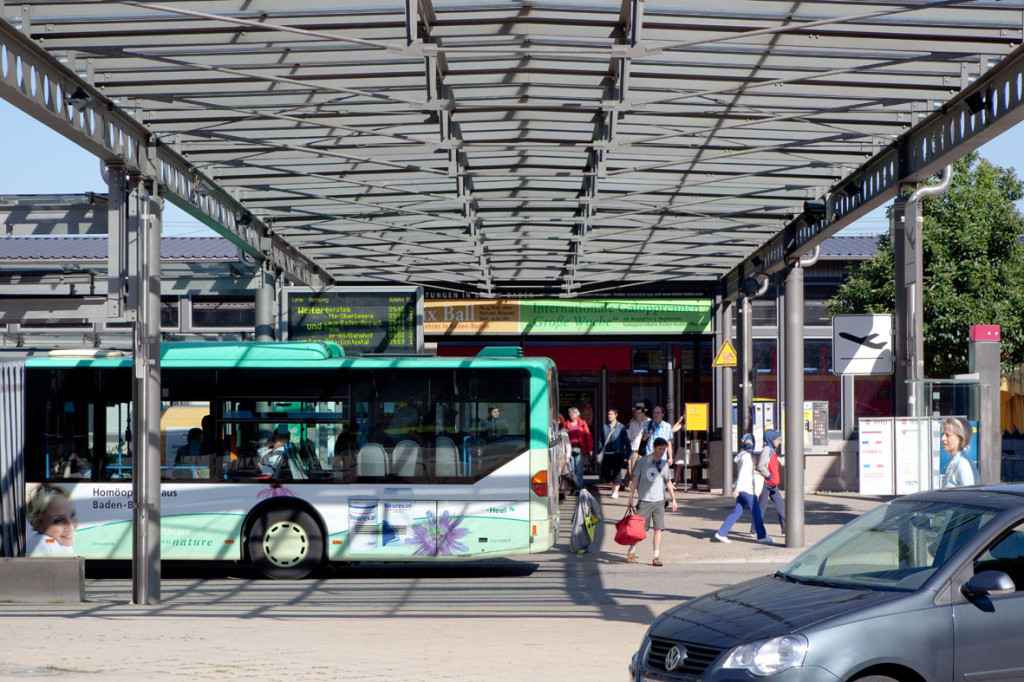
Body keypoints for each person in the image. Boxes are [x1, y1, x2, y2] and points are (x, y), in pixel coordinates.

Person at [625, 437, 678, 566]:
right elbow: (635, 479)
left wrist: (674, 499)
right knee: (639, 530)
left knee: (658, 529)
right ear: (654, 448)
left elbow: (668, 482)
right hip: (645, 500)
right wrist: (631, 496)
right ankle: (631, 551)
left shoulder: (664, 464)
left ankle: (656, 556)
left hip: (659, 501)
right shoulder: (643, 461)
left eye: (664, 449)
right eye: (660, 449)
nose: (662, 452)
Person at [713, 434, 773, 544]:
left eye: (751, 442)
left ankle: (722, 532)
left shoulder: (743, 455)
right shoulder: (746, 457)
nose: (750, 445)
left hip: (743, 489)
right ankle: (762, 536)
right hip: (747, 489)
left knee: (737, 511)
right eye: (748, 443)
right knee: (756, 512)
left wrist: (738, 488)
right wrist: (738, 489)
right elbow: (743, 474)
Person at [750, 429, 786, 537]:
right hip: (767, 483)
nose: (779, 442)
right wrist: (769, 475)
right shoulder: (767, 449)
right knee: (761, 507)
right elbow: (760, 465)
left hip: (773, 483)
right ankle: (753, 530)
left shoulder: (772, 450)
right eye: (778, 440)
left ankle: (785, 530)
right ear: (772, 439)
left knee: (781, 506)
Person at [25, 483, 78, 554]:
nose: (71, 527)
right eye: (58, 520)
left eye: (72, 515)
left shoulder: (53, 541)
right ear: (37, 524)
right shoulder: (48, 545)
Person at [597, 408, 631, 499]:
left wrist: (629, 453)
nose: (609, 416)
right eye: (608, 414)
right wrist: (599, 451)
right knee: (606, 474)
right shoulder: (605, 426)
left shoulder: (621, 427)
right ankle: (614, 484)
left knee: (617, 471)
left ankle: (616, 490)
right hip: (607, 453)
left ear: (616, 415)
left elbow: (626, 441)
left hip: (618, 452)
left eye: (611, 414)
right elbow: (601, 440)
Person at [941, 417, 978, 488]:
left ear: (961, 439)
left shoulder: (963, 464)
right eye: (943, 434)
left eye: (947, 435)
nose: (943, 438)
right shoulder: (953, 461)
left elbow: (969, 495)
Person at [565, 407, 593, 495]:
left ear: (577, 414)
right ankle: (571, 488)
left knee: (579, 470)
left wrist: (590, 449)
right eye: (570, 413)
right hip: (569, 450)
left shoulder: (582, 424)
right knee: (570, 471)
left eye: (573, 413)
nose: (572, 414)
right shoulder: (566, 424)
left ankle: (578, 489)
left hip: (580, 449)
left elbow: (588, 437)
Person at [626, 403, 649, 487]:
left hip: (644, 449)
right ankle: (630, 482)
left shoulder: (648, 422)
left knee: (641, 468)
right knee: (631, 468)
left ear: (643, 413)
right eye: (636, 413)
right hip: (634, 448)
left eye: (639, 413)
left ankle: (636, 485)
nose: (637, 415)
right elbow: (629, 436)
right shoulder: (632, 423)